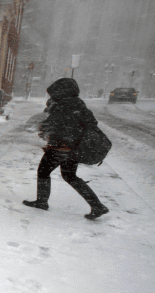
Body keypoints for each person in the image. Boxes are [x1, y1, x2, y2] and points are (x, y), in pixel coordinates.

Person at [23, 78, 110, 220]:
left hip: (61, 147)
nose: (52, 96)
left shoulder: (63, 106)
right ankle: (97, 205)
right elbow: (91, 123)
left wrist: (44, 129)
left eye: (54, 93)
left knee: (43, 171)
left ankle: (42, 202)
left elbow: (53, 125)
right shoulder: (80, 105)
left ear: (61, 92)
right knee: (70, 176)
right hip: (74, 148)